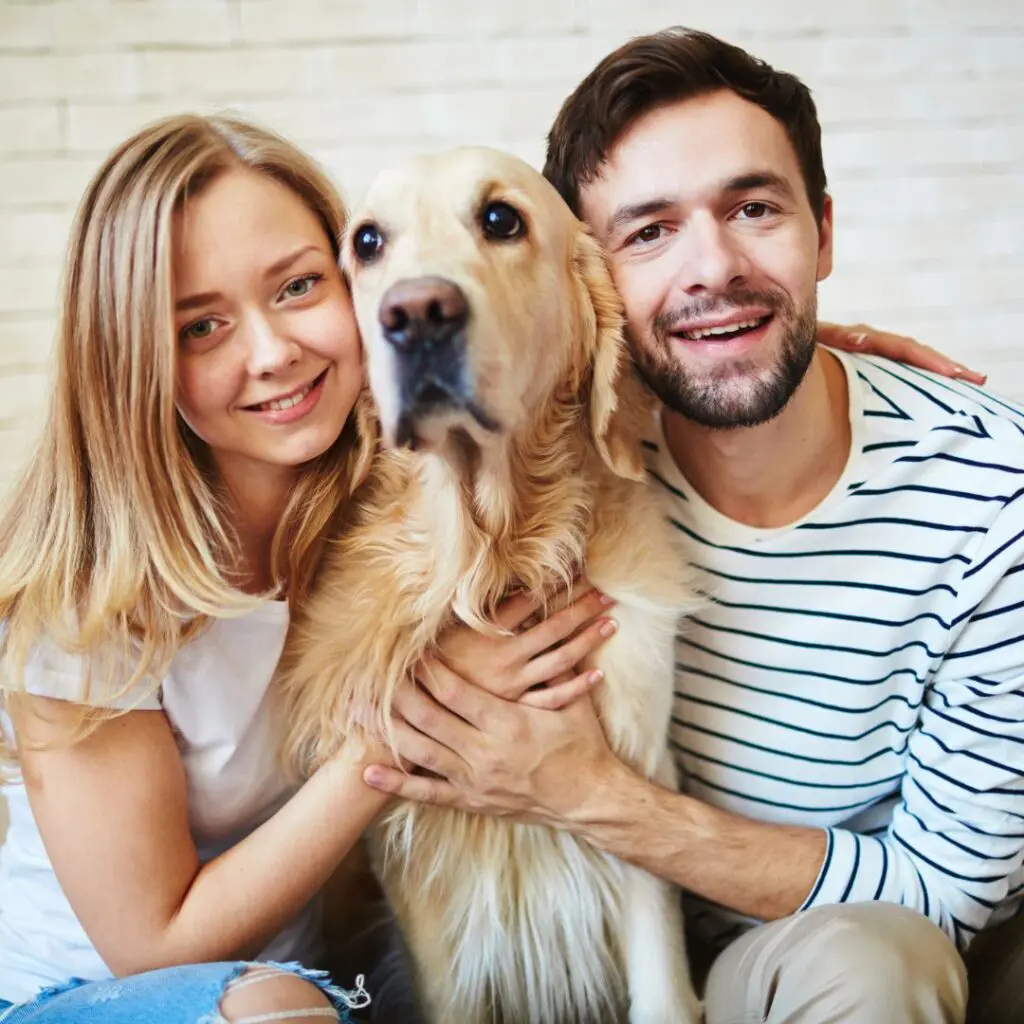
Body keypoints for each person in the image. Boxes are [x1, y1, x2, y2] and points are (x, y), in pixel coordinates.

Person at [360, 28, 1024, 1024]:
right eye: (648, 233)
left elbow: (944, 894)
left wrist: (591, 795)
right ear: (593, 288)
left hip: (827, 952)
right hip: (613, 962)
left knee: (873, 965)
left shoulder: (995, 494)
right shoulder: (559, 465)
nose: (713, 267)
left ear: (824, 233)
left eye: (753, 209)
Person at [0, 112, 611, 1024]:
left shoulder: (381, 499)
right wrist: (410, 720)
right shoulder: (89, 609)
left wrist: (799, 348)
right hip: (91, 998)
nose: (273, 352)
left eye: (296, 287)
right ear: (133, 364)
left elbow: (565, 336)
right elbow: (155, 946)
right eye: (202, 326)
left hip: (321, 990)